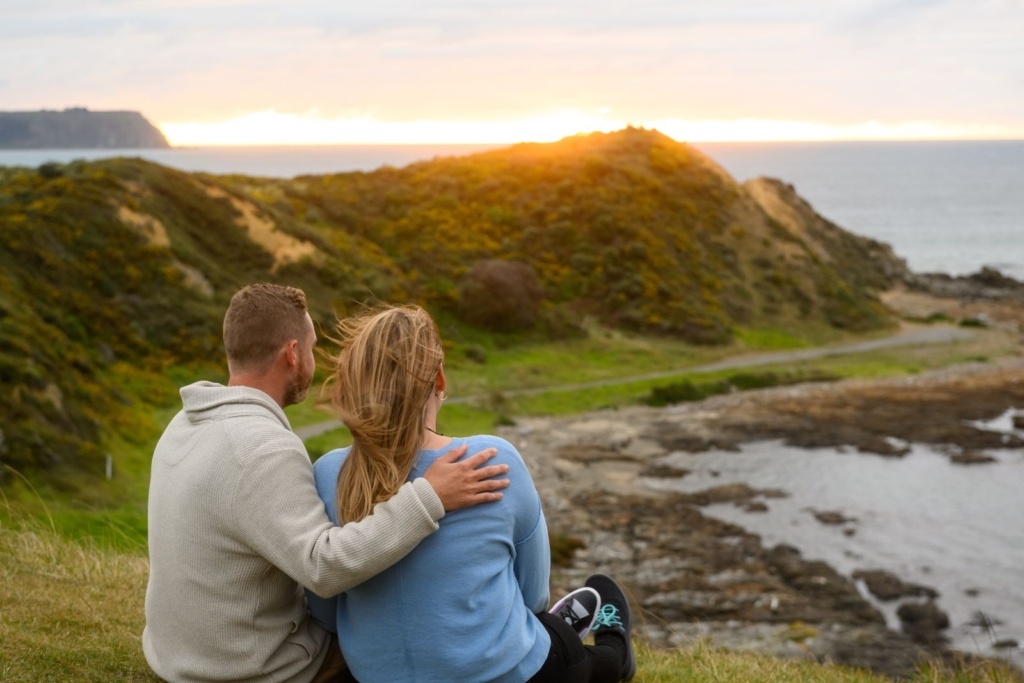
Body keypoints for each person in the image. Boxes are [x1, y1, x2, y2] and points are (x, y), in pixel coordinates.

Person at [143, 284, 510, 683]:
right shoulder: (262, 448)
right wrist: (429, 496)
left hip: (176, 656)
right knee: (380, 644)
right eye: (314, 349)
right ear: (293, 354)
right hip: (248, 671)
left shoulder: (185, 422)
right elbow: (324, 568)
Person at [306, 305, 635, 683]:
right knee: (565, 642)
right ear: (440, 379)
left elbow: (325, 612)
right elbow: (533, 597)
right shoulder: (491, 459)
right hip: (505, 674)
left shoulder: (328, 473)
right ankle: (614, 647)